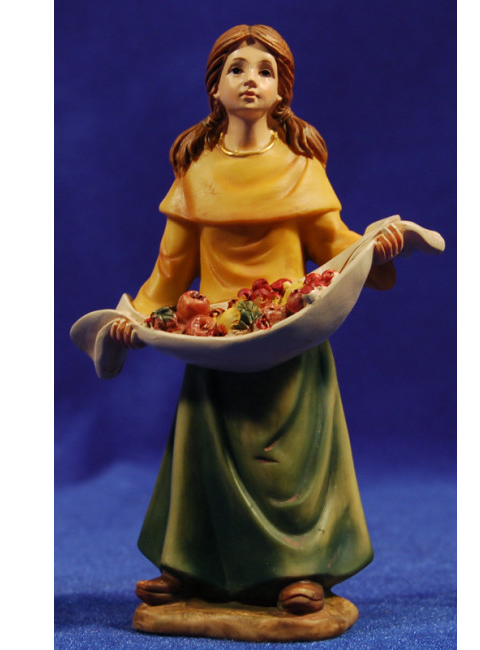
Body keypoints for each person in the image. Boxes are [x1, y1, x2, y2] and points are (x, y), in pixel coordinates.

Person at [109, 24, 404, 615]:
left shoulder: (300, 169)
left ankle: (301, 571)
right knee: (203, 457)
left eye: (265, 71)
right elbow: (169, 271)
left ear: (282, 90)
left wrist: (375, 248)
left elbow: (335, 245)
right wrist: (130, 319)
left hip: (291, 334)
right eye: (237, 69)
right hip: (217, 339)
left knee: (291, 465)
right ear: (215, 88)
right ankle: (190, 568)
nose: (251, 80)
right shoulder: (196, 174)